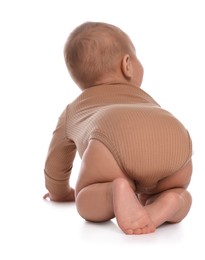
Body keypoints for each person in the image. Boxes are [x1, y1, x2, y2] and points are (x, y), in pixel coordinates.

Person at [43, 21, 193, 235]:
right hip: (172, 131)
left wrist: (60, 192)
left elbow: (56, 164)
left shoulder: (74, 109)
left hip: (110, 135)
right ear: (127, 65)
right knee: (178, 191)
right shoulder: (145, 98)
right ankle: (173, 199)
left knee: (85, 199)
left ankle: (115, 189)